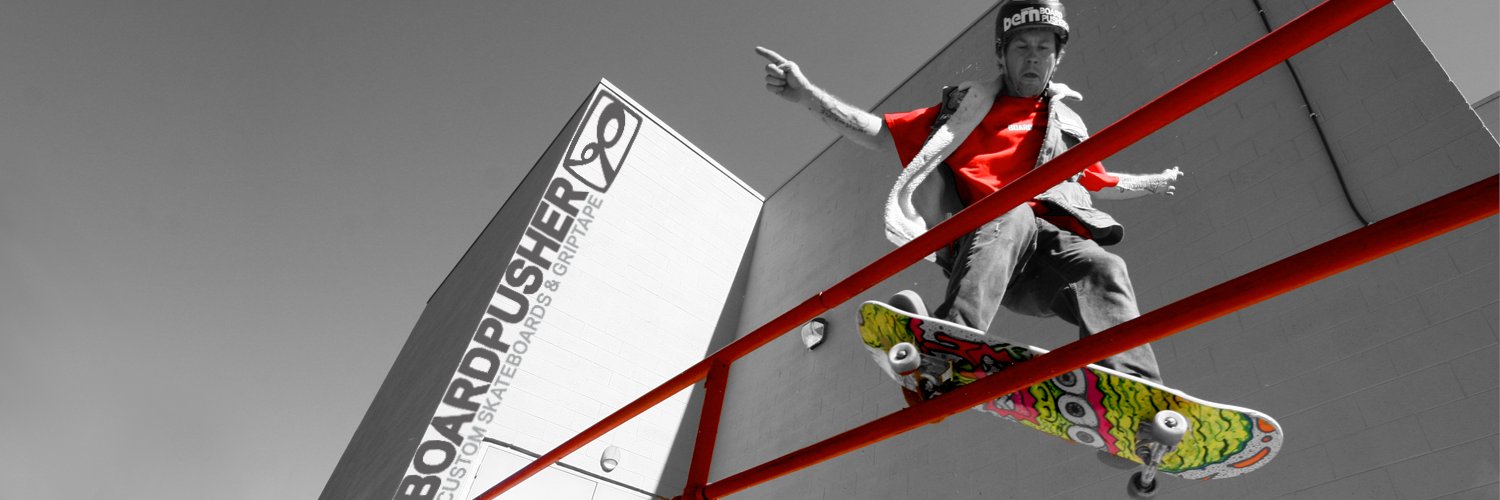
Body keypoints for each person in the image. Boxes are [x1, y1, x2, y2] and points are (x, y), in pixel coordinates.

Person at [756, 0, 1182, 383]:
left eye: (1043, 48)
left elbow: (1097, 182)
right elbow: (878, 133)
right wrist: (807, 96)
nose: (1033, 57)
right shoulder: (964, 109)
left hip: (1047, 259)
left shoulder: (1066, 124)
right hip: (983, 249)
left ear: (1057, 58)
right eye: (1022, 47)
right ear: (1001, 55)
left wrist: (1151, 182)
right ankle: (947, 347)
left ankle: (1135, 391)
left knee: (1106, 267)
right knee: (1012, 210)